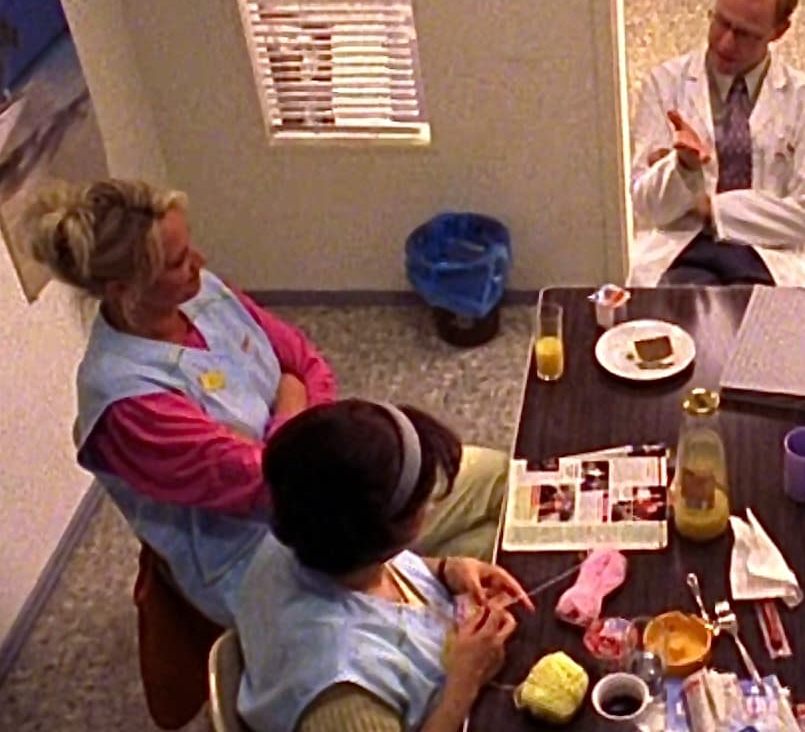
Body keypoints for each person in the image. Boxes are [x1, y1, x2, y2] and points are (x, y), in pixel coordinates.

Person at [28, 179, 507, 629]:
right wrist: (290, 398)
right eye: (176, 261)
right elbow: (277, 485)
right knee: (485, 576)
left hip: (327, 482)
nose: (199, 262)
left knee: (503, 485)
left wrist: (292, 406)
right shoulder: (128, 403)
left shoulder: (202, 294)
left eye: (190, 247)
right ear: (123, 289)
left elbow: (308, 365)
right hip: (266, 551)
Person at [237, 399, 531, 732]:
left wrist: (444, 570)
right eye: (424, 500)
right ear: (388, 532)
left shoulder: (301, 525)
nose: (432, 506)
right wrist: (465, 683)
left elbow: (380, 572)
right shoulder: (343, 699)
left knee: (500, 539)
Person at [627, 0, 805, 287]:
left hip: (769, 256)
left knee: (766, 319)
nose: (725, 43)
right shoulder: (664, 85)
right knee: (682, 314)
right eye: (721, 22)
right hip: (683, 251)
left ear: (779, 31)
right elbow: (645, 207)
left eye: (746, 33)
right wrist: (682, 169)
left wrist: (711, 208)